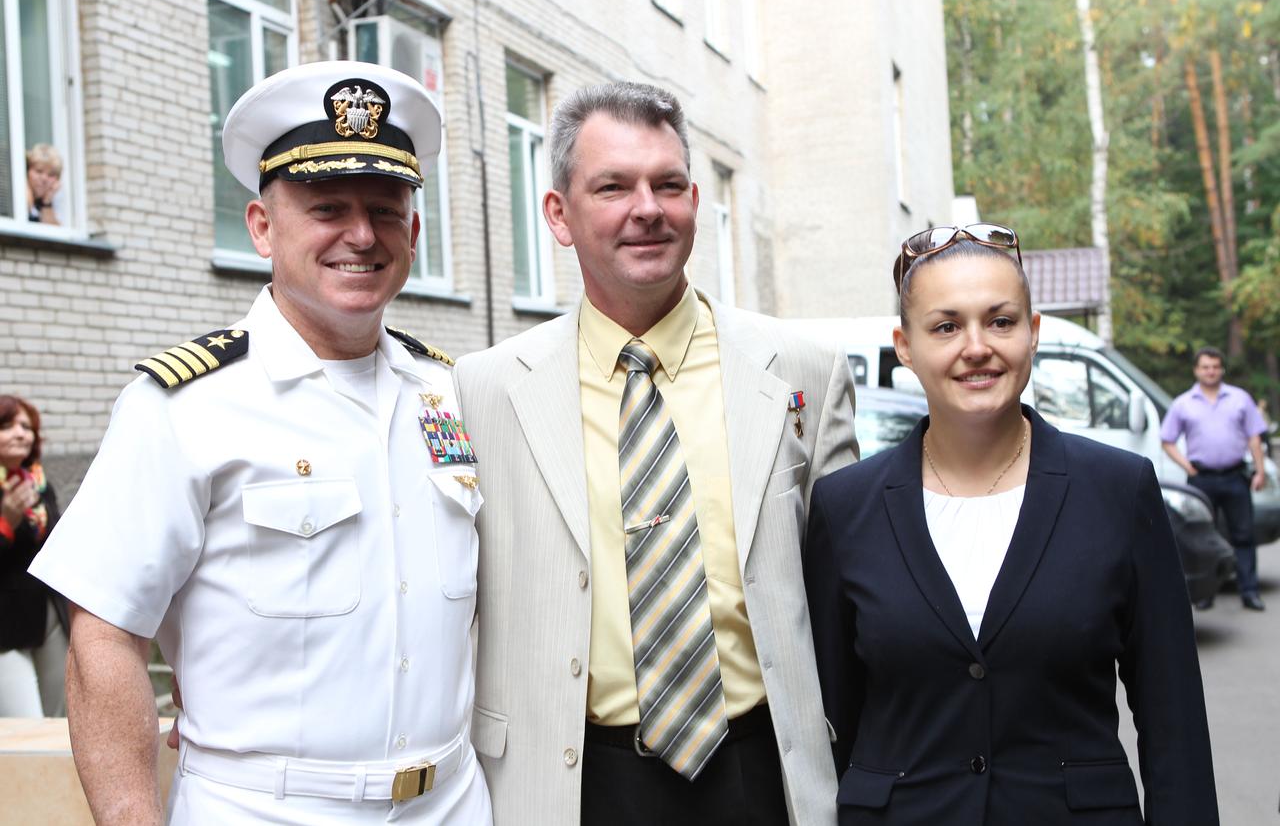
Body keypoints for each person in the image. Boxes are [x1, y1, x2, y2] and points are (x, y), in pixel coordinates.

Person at [29, 61, 491, 825]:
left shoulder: (452, 393)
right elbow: (105, 632)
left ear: (413, 232)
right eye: (327, 207)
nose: (361, 235)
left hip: (453, 803)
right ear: (262, 227)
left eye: (385, 209)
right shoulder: (184, 405)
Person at [454, 81, 858, 825]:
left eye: (668, 184)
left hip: (762, 773)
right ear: (559, 214)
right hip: (572, 782)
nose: (648, 208)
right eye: (613, 186)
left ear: (695, 203)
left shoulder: (801, 371)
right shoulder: (483, 391)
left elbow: (850, 596)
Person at [804, 225, 1218, 824]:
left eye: (1001, 321)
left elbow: (1173, 719)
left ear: (1034, 333)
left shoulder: (1118, 490)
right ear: (906, 347)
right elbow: (831, 721)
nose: (977, 346)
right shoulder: (846, 507)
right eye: (946, 326)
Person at [1161, 347, 1269, 611]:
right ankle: (1206, 593)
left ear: (1222, 369)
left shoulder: (1240, 398)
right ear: (1196, 370)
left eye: (1215, 366)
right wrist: (1187, 466)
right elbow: (1167, 440)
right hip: (1202, 479)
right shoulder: (1183, 403)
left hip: (1235, 476)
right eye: (1205, 366)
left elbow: (1255, 437)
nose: (1211, 371)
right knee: (1202, 536)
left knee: (1243, 535)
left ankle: (1249, 591)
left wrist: (1260, 471)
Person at [0, 395, 69, 717]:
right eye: (7, 426)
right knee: (25, 726)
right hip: (6, 629)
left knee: (61, 721)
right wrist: (6, 523)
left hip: (47, 615)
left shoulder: (39, 486)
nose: (20, 434)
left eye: (27, 427)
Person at [26, 143, 62, 225]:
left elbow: (53, 233)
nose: (44, 179)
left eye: (51, 175)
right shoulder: (18, 198)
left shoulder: (49, 203)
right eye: (39, 171)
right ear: (28, 171)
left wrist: (47, 201)